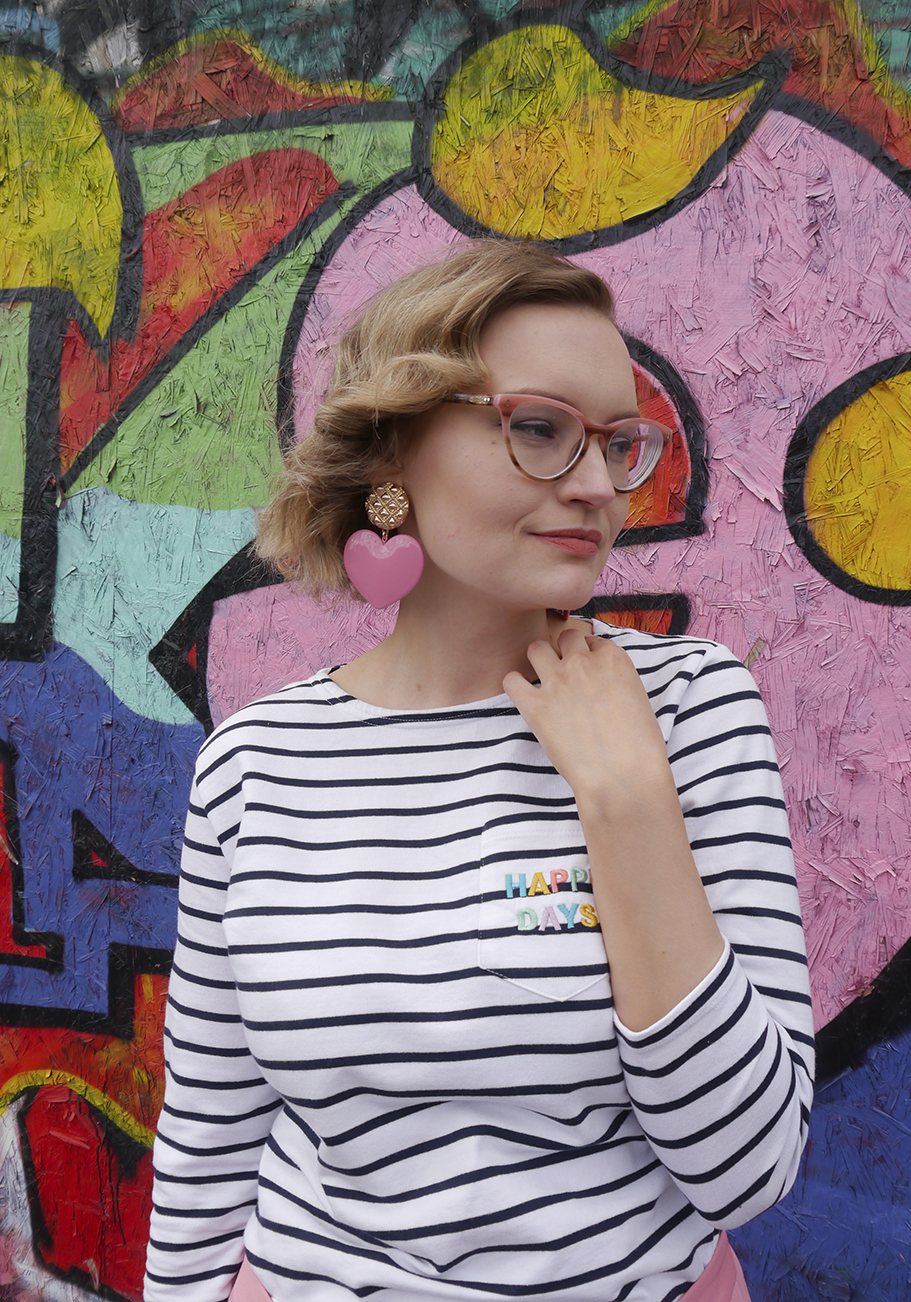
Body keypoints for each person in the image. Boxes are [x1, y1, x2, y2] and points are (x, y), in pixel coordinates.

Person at [144, 242, 814, 1302]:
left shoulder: (691, 710)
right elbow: (208, 1138)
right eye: (539, 429)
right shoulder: (254, 764)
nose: (595, 487)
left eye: (619, 444)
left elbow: (746, 1168)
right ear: (394, 449)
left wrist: (627, 802)